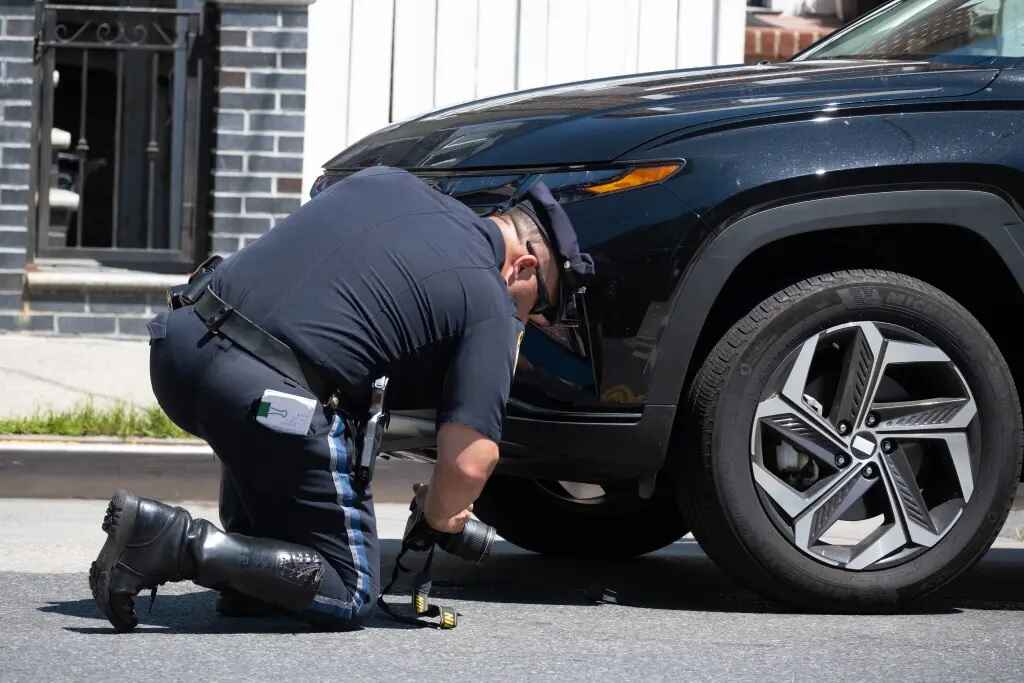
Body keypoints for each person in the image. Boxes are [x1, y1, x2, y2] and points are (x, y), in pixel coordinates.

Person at [89, 166, 593, 632]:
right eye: (538, 308)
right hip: (260, 397)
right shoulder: (489, 298)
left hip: (180, 347)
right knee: (351, 590)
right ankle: (169, 541)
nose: (530, 322)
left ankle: (249, 578)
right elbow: (469, 463)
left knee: (285, 441)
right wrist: (441, 515)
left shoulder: (387, 181)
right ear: (523, 267)